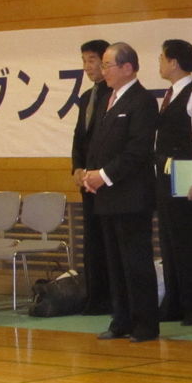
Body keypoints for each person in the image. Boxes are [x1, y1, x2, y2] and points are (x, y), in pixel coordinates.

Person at [81, 42, 160, 342]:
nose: (103, 71)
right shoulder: (107, 99)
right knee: (114, 263)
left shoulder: (142, 101)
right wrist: (89, 174)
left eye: (107, 65)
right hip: (107, 197)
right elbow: (98, 143)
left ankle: (145, 324)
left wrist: (103, 175)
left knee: (136, 262)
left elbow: (137, 151)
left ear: (127, 68)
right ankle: (121, 319)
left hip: (132, 196)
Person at [155, 39, 192, 325]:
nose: (159, 63)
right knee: (169, 242)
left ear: (174, 62)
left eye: (162, 58)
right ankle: (175, 303)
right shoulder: (169, 95)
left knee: (187, 242)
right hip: (166, 177)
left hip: (186, 177)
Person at [70, 38, 111, 313]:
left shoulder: (114, 94)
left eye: (92, 60)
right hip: (87, 181)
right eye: (84, 61)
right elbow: (80, 137)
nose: (87, 66)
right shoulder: (87, 97)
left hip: (107, 181)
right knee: (91, 240)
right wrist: (77, 167)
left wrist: (98, 172)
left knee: (108, 242)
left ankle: (110, 297)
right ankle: (94, 296)